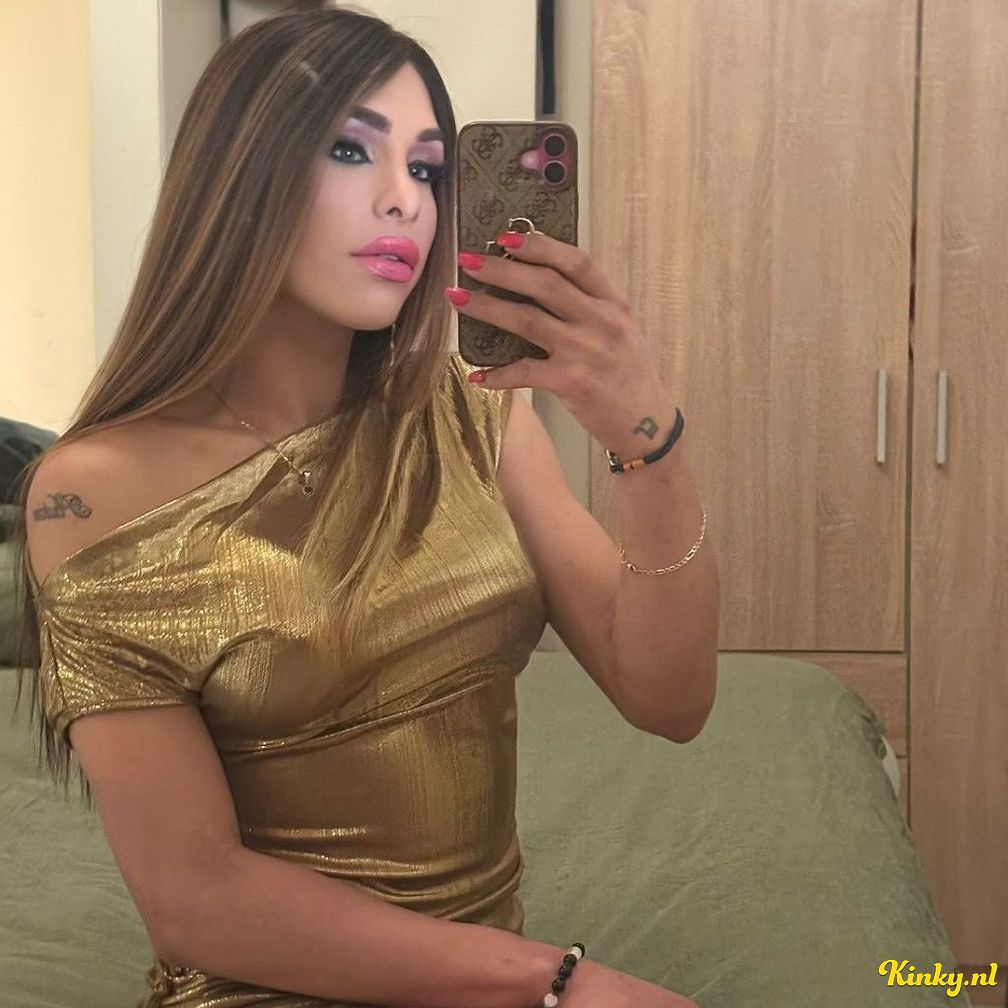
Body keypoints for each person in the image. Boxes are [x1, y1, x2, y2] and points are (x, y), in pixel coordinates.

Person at [12, 5, 717, 1006]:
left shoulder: (472, 412)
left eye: (428, 170)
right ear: (240, 177)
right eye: (353, 151)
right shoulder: (89, 493)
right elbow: (193, 898)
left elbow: (671, 699)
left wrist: (648, 437)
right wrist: (556, 983)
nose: (406, 203)